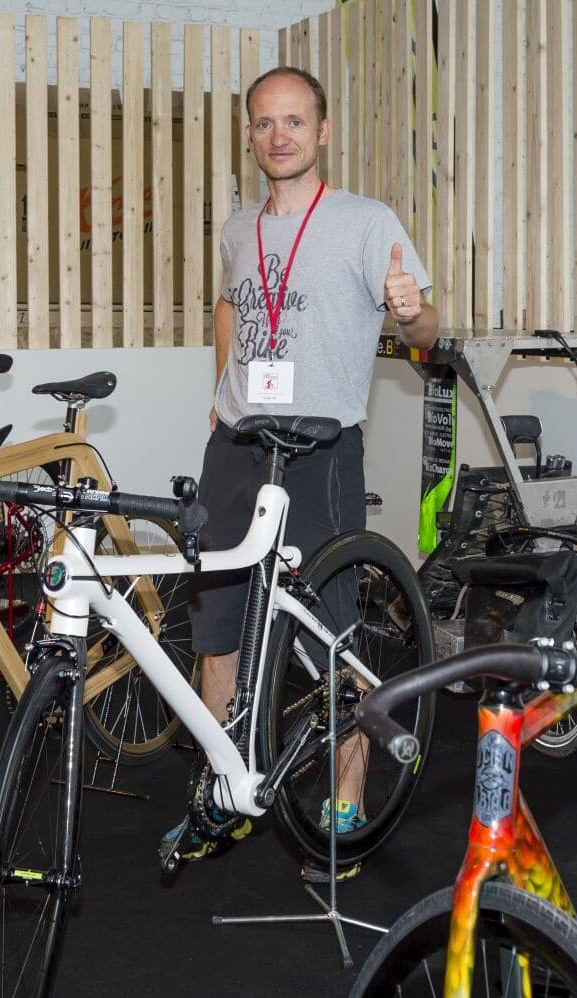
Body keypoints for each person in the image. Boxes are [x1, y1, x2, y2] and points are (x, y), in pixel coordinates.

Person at [161, 66, 439, 871]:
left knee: (332, 630)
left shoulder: (363, 223)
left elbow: (423, 333)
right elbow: (228, 301)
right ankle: (223, 793)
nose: (277, 136)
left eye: (293, 122)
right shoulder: (238, 227)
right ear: (249, 135)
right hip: (237, 447)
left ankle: (344, 804)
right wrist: (223, 387)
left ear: (321, 132)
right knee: (216, 631)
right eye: (262, 123)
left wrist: (410, 311)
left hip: (320, 451)